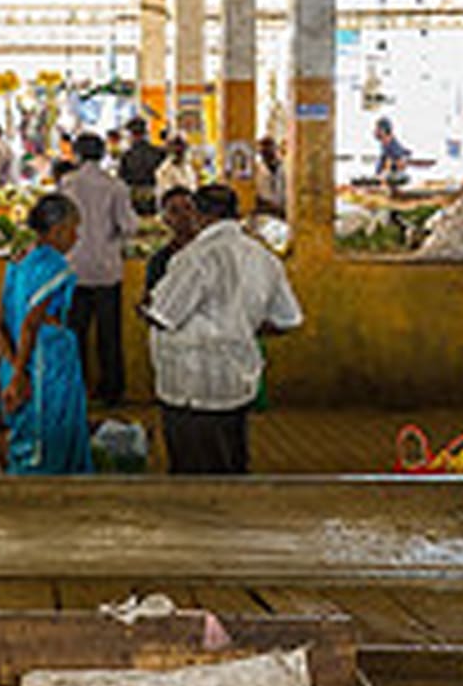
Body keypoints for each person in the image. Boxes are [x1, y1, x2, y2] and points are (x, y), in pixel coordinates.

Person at [144, 184, 304, 475]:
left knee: (193, 471)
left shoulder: (195, 257)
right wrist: (242, 326)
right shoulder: (264, 257)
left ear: (199, 215)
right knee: (232, 462)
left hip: (192, 385)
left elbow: (163, 316)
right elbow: (287, 319)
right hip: (237, 382)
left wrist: (144, 308)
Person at [0, 192, 91, 475]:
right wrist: (20, 376)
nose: (76, 238)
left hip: (17, 362)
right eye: (73, 229)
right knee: (50, 444)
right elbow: (31, 323)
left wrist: (12, 366)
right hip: (46, 367)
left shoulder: (18, 262)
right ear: (58, 230)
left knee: (24, 444)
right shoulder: (54, 266)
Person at [55, 132, 137, 406]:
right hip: (106, 269)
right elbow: (129, 226)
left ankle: (77, 389)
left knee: (74, 333)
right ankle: (111, 391)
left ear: (77, 154)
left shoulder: (67, 183)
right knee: (108, 335)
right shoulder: (115, 186)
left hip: (74, 268)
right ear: (102, 154)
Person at [140, 186, 202, 306]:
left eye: (188, 207)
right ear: (165, 219)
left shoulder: (214, 250)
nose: (184, 215)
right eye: (174, 211)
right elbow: (152, 303)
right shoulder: (159, 261)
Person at [116, 118, 166, 206]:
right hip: (154, 192)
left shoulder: (127, 155)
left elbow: (121, 178)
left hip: (134, 193)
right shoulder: (158, 152)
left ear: (132, 135)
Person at [371, 118, 412, 191]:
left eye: (378, 129)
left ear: (384, 130)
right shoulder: (385, 144)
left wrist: (385, 175)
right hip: (386, 179)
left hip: (393, 180)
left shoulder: (393, 145)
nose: (375, 131)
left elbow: (401, 164)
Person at [253, 135, 287, 217]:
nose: (266, 153)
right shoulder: (257, 169)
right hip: (265, 209)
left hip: (282, 209)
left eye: (268, 149)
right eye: (263, 152)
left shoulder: (284, 167)